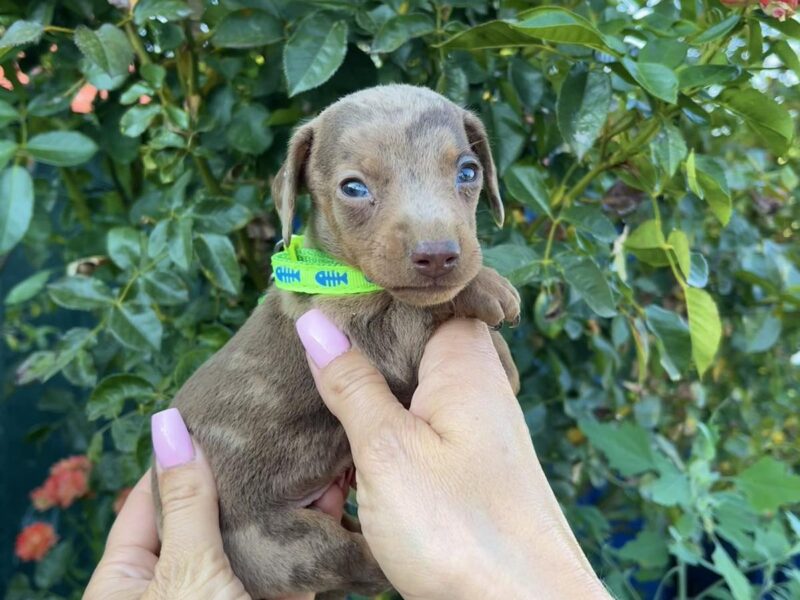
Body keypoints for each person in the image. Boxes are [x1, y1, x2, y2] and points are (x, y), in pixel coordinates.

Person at [84, 313, 610, 600]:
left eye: (466, 174)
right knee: (352, 564)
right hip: (255, 530)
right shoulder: (314, 292)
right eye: (355, 188)